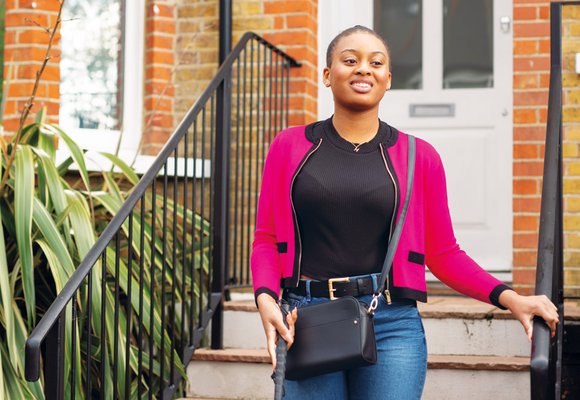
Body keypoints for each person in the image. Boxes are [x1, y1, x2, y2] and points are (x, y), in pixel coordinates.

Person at [250, 25, 558, 400]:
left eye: (375, 63)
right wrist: (265, 297)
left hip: (392, 322)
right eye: (351, 60)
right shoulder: (290, 146)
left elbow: (444, 253)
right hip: (306, 317)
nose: (364, 69)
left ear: (388, 79)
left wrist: (510, 298)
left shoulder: (418, 157)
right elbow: (266, 238)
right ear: (328, 75)